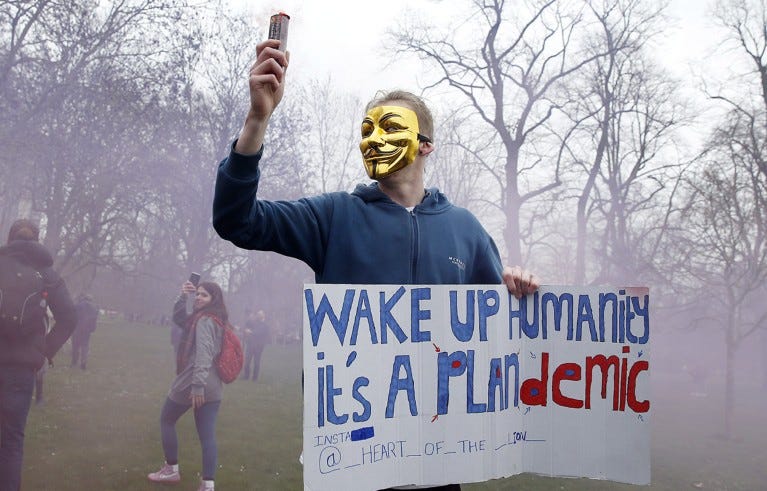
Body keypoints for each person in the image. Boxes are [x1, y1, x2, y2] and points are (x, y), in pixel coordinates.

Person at [212, 39, 539, 491]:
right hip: (353, 462)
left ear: (425, 145)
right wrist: (257, 119)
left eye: (388, 127)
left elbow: (498, 336)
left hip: (438, 465)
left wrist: (514, 288)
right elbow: (236, 220)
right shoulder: (332, 216)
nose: (373, 139)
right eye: (366, 130)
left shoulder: (466, 229)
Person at [0, 219, 77, 491]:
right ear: (36, 239)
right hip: (22, 370)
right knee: (12, 441)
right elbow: (69, 317)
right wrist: (44, 350)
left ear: (10, 238)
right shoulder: (47, 274)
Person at [148, 280, 229, 491]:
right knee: (207, 435)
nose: (199, 298)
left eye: (204, 295)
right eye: (198, 294)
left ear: (214, 299)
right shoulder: (216, 319)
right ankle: (208, 485)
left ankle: (171, 470)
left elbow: (203, 354)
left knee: (166, 420)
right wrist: (183, 296)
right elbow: (178, 318)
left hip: (194, 382)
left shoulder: (203, 321)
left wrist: (197, 386)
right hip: (215, 385)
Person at [71, 294, 98, 370]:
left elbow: (73, 316)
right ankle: (83, 363)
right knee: (85, 346)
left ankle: (74, 363)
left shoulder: (78, 305)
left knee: (75, 346)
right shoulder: (94, 307)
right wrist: (92, 329)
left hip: (77, 328)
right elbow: (94, 319)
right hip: (87, 330)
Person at [241, 309, 269, 381]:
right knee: (247, 362)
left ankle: (255, 378)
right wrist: (249, 318)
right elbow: (247, 324)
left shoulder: (265, 325)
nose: (258, 316)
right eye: (258, 314)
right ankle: (246, 376)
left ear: (263, 316)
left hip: (259, 347)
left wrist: (250, 332)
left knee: (256, 362)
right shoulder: (254, 322)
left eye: (260, 314)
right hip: (250, 345)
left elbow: (258, 332)